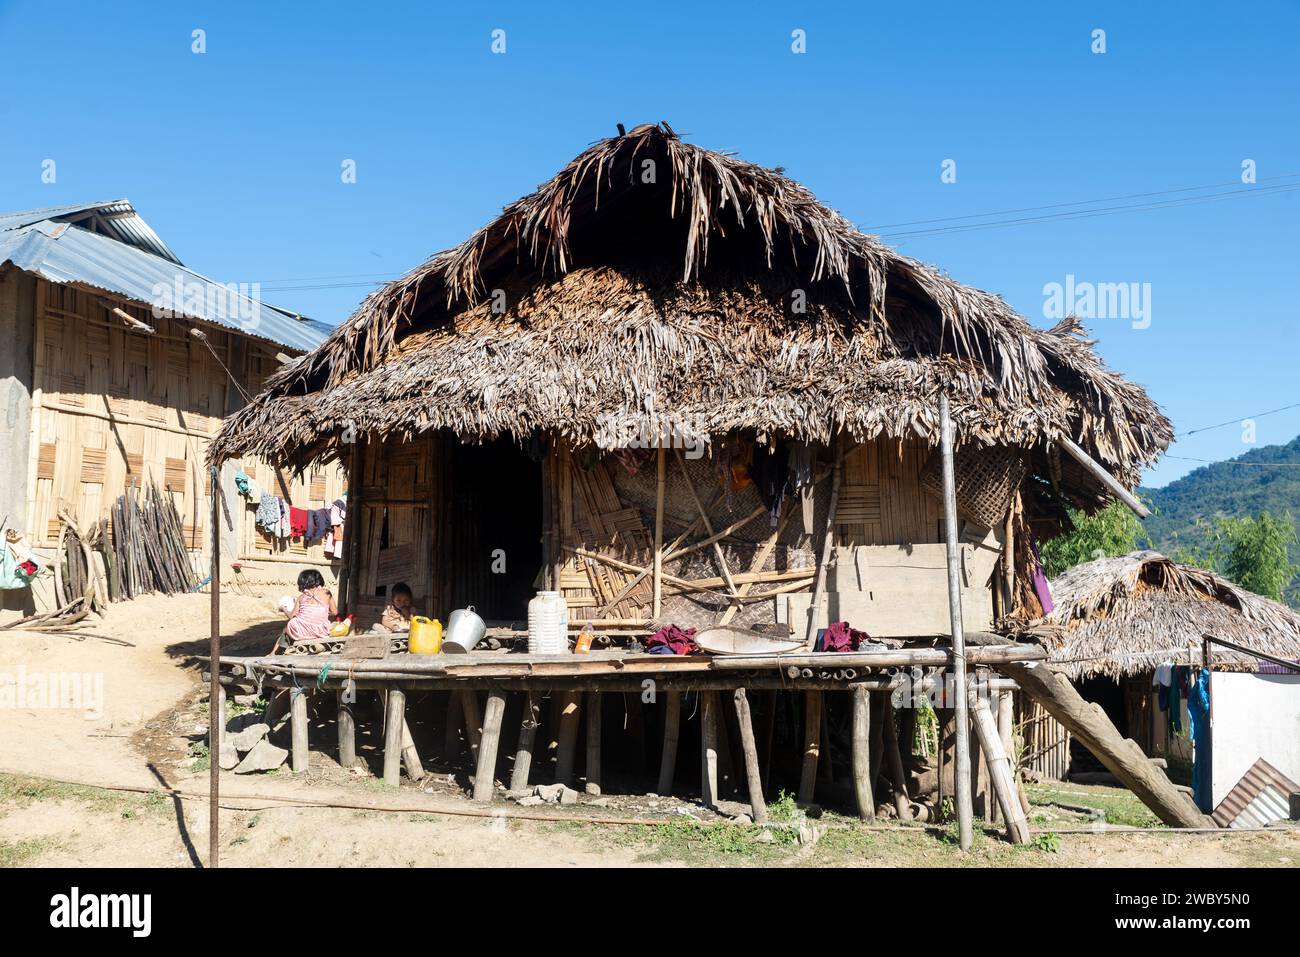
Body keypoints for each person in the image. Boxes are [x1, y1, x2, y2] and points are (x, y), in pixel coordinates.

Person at [285, 568, 336, 642]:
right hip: (321, 631)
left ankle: (273, 652)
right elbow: (335, 612)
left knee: (288, 626)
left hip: (301, 632)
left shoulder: (301, 597)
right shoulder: (326, 593)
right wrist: (322, 613)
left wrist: (284, 609)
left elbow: (291, 616)